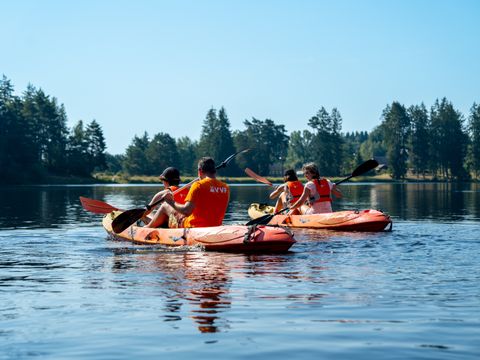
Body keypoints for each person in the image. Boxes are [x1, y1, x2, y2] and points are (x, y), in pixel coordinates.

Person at [146, 157, 230, 228]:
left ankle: (146, 229)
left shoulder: (198, 185)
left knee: (165, 206)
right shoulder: (226, 188)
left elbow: (186, 211)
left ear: (200, 171)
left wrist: (171, 202)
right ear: (214, 171)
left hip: (192, 226)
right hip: (215, 227)